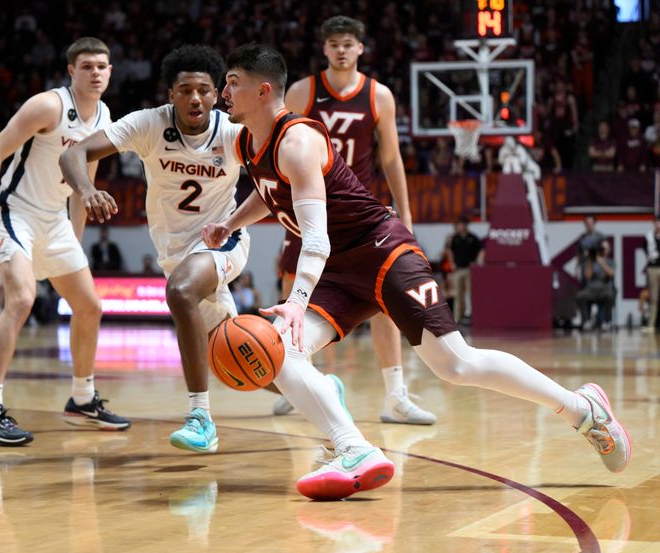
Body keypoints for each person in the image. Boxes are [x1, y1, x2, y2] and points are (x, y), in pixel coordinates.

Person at [204, 44, 629, 499]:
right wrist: (230, 221)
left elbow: (317, 239)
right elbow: (270, 192)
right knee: (280, 349)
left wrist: (296, 300)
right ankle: (355, 449)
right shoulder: (250, 140)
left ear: (263, 89)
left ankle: (582, 408)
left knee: (456, 365)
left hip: (383, 252)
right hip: (341, 270)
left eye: (232, 81)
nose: (223, 90)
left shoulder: (298, 141)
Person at [60, 45, 249, 454]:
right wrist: (87, 188)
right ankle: (314, 384)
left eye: (203, 90)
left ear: (217, 95)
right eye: (185, 90)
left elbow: (286, 171)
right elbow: (73, 153)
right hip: (175, 253)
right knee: (234, 355)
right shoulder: (148, 125)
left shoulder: (235, 132)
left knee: (180, 292)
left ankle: (201, 418)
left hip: (224, 240)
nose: (194, 98)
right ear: (171, 95)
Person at [0, 37, 130, 446]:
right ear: (71, 71)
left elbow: (82, 186)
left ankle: (82, 399)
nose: (96, 72)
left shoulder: (105, 117)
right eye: (87, 66)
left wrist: (74, 241)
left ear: (111, 72)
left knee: (90, 307)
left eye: (102, 66)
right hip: (13, 212)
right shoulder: (48, 106)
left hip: (55, 221)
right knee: (21, 300)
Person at [276, 15, 435, 425]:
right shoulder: (303, 91)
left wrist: (407, 210)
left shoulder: (378, 95)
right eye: (334, 44)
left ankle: (396, 395)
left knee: (383, 301)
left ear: (361, 48)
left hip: (357, 213)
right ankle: (295, 382)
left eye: (348, 43)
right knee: (291, 291)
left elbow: (391, 158)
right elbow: (280, 149)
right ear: (324, 49)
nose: (341, 50)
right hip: (307, 209)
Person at [446, 215, 482, 324]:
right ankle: (457, 317)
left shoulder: (473, 238)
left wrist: (475, 262)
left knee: (470, 294)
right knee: (458, 294)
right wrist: (452, 263)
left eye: (463, 224)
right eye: (460, 225)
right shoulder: (455, 238)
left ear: (466, 225)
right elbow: (450, 251)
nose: (461, 227)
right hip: (458, 269)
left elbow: (480, 251)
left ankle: (471, 315)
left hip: (469, 269)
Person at [576, 240, 616, 331]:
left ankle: (607, 322)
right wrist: (591, 260)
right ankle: (586, 321)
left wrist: (601, 261)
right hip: (591, 289)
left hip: (604, 288)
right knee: (580, 296)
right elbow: (587, 276)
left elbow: (611, 274)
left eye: (605, 248)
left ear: (608, 250)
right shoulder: (589, 261)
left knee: (610, 296)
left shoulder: (610, 262)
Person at [645, 215, 660, 331]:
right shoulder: (649, 237)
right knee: (653, 297)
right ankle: (652, 324)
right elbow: (651, 255)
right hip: (653, 268)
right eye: (656, 222)